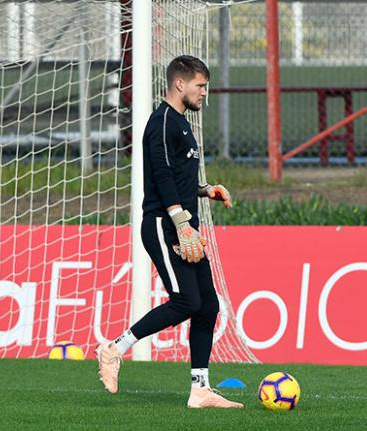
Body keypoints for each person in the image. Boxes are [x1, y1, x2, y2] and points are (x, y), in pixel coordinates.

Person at [95, 55, 242, 409]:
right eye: (200, 86)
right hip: (164, 225)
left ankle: (200, 389)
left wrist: (206, 190)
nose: (204, 92)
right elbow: (160, 175)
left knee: (208, 304)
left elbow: (178, 176)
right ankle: (114, 349)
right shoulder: (162, 121)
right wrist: (180, 223)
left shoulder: (182, 123)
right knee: (187, 302)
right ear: (180, 84)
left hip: (182, 223)